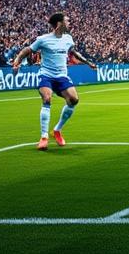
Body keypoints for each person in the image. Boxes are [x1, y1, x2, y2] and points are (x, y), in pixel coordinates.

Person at [11, 12, 96, 151]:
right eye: (67, 21)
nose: (69, 23)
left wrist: (88, 62)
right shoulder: (43, 39)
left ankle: (57, 130)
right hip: (46, 75)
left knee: (74, 100)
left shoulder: (68, 38)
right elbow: (27, 50)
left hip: (62, 76)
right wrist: (17, 61)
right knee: (47, 98)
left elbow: (73, 52)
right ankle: (44, 137)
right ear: (59, 23)